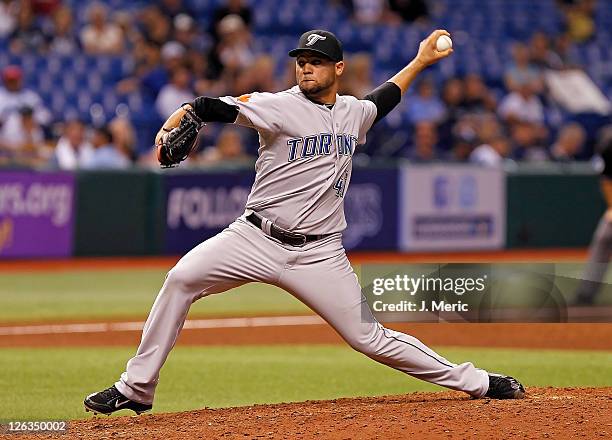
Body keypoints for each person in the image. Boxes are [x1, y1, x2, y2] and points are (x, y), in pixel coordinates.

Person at [84, 29, 525, 416]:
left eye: (315, 62)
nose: (306, 69)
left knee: (368, 338)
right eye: (300, 62)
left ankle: (478, 381)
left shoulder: (353, 112)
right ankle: (137, 388)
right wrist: (178, 119)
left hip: (320, 253)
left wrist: (421, 61)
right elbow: (209, 106)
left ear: (338, 68)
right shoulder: (277, 106)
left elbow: (385, 97)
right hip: (255, 236)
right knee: (181, 279)